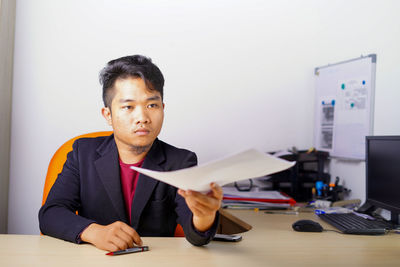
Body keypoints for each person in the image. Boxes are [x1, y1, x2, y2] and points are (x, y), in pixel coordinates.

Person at [39, 55, 222, 252]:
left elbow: (196, 233)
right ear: (108, 115)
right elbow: (51, 214)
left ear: (163, 108)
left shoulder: (180, 161)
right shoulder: (82, 153)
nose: (142, 118)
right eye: (128, 107)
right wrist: (94, 232)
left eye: (152, 105)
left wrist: (204, 216)